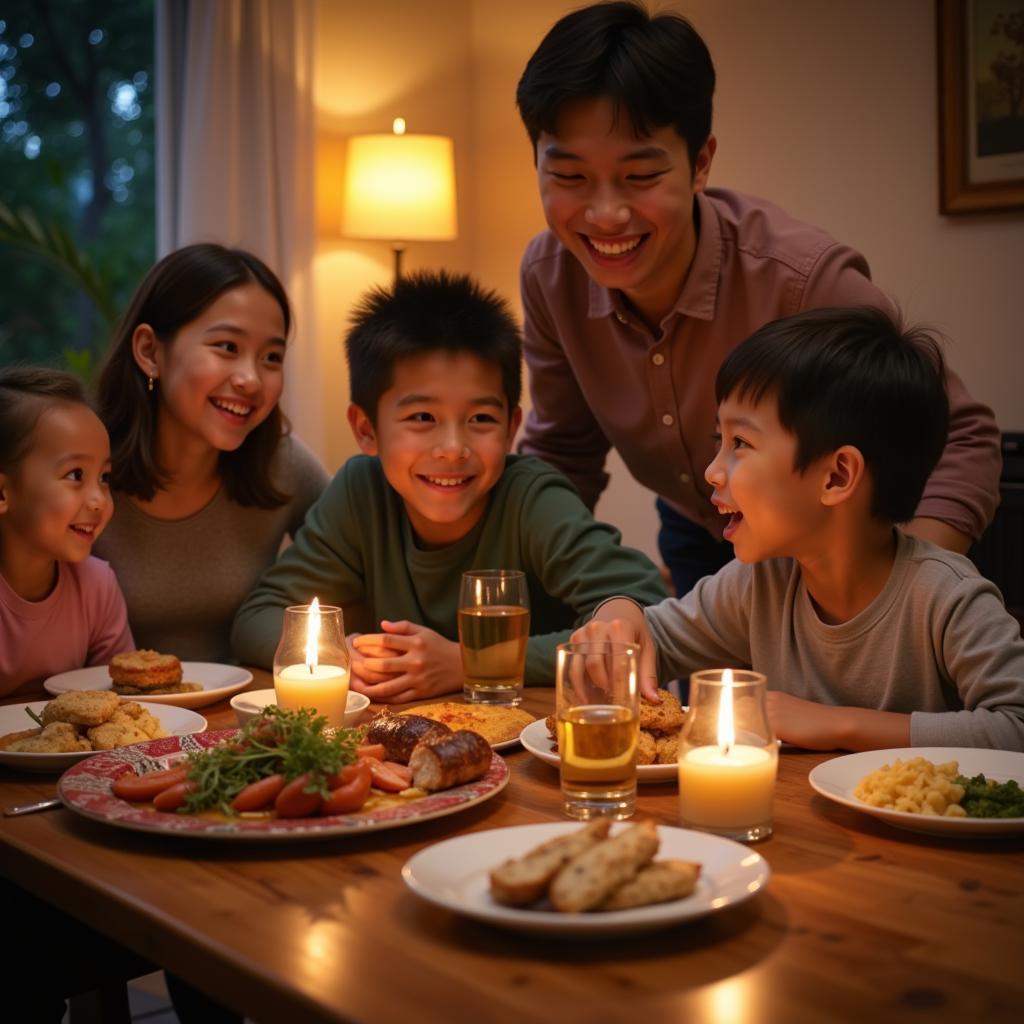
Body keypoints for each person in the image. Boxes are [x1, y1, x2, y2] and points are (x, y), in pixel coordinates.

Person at [515, 1, 1001, 597]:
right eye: (569, 178)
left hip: (842, 559)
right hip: (702, 534)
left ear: (700, 164)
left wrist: (903, 591)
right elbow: (564, 452)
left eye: (640, 177)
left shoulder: (799, 280)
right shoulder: (549, 276)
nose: (607, 213)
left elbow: (964, 437)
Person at [574, 307, 1024, 751]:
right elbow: (654, 641)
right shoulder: (762, 585)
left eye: (741, 444)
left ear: (836, 477)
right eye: (719, 440)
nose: (712, 471)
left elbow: (1015, 727)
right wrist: (619, 615)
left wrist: (837, 725)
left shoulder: (948, 598)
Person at [232, 270, 668, 700]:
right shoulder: (361, 492)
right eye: (422, 418)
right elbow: (257, 617)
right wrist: (338, 653)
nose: (453, 448)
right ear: (366, 429)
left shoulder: (530, 497)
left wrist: (470, 662)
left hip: (538, 738)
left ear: (511, 427)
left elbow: (644, 602)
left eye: (481, 419)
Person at [93, 243, 328, 662]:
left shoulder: (284, 464)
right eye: (227, 347)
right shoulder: (81, 467)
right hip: (117, 720)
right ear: (150, 351)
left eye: (271, 357)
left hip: (241, 719)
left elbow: (366, 554)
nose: (251, 380)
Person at [0, 367, 132, 697]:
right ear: (3, 493)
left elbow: (123, 698)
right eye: (75, 475)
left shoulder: (96, 586)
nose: (99, 500)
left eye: (104, 477)